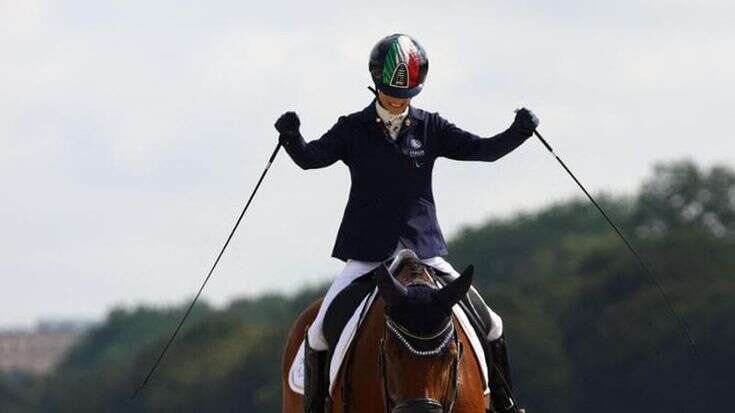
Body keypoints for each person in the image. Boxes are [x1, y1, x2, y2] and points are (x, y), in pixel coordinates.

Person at [275, 33, 538, 413]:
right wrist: (291, 137)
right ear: (375, 82)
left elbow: (483, 150)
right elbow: (311, 158)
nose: (399, 100)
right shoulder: (352, 128)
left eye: (407, 93)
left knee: (492, 323)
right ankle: (315, 406)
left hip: (424, 248)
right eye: (391, 91)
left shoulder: (431, 127)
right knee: (317, 333)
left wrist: (518, 132)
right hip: (368, 255)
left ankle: (506, 403)